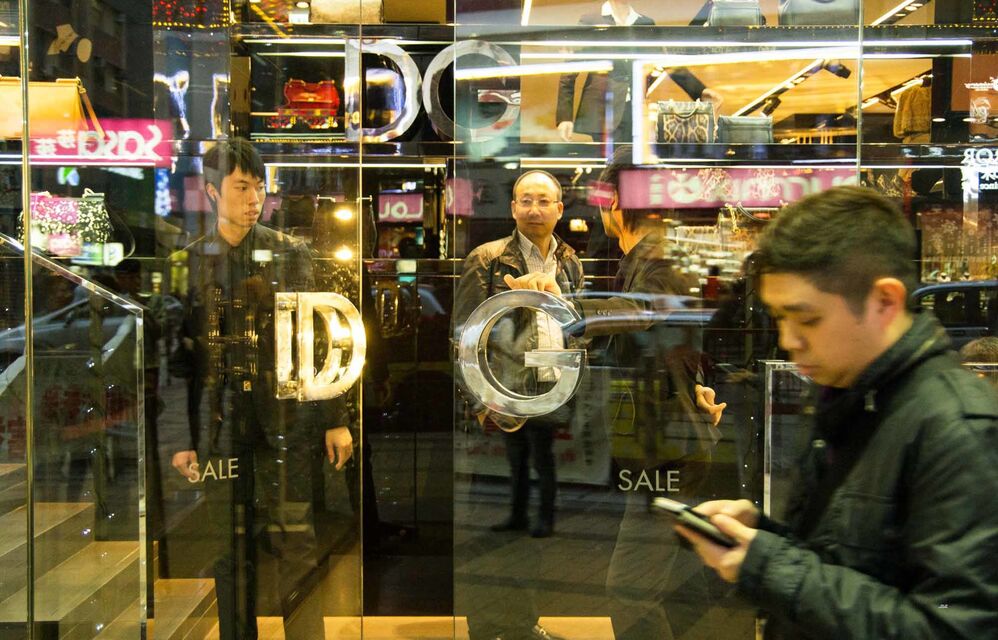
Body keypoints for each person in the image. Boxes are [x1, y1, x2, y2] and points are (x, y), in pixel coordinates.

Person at [675, 186, 998, 639]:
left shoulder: (958, 428)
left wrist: (771, 565)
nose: (788, 340)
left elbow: (953, 628)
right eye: (779, 317)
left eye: (807, 318)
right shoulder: (851, 393)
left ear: (884, 302)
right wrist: (766, 538)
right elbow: (854, 560)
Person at [504, 148, 731, 640]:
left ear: (616, 204)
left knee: (630, 587)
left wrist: (568, 305)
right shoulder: (646, 257)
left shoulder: (659, 257)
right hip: (666, 441)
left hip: (667, 449)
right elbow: (671, 341)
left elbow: (643, 311)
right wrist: (694, 387)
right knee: (685, 588)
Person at [170, 138, 355, 640]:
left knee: (296, 538)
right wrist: (183, 437)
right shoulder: (190, 261)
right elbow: (178, 361)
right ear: (212, 191)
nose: (254, 199)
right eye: (241, 188)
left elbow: (319, 339)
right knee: (228, 547)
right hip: (222, 423)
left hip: (287, 418)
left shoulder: (290, 252)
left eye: (259, 188)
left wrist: (336, 418)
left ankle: (306, 635)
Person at [452, 169, 584, 640]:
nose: (533, 209)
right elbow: (461, 340)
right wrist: (483, 407)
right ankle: (488, 626)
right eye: (525, 200)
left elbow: (576, 328)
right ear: (512, 208)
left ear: (559, 209)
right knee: (494, 517)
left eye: (543, 201)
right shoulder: (487, 259)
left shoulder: (569, 261)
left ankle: (523, 622)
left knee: (537, 521)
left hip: (551, 404)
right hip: (502, 407)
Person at [555, 0, 721, 143]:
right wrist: (564, 117)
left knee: (629, 164)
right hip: (601, 111)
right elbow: (570, 68)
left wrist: (700, 91)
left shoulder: (644, 24)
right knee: (611, 165)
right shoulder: (591, 20)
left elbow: (665, 61)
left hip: (634, 110)